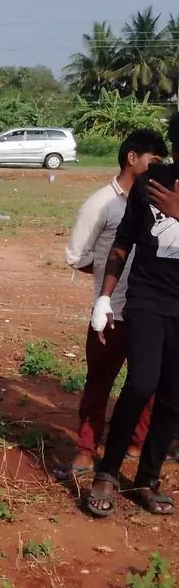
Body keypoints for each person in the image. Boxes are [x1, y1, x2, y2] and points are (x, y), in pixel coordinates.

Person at [60, 130, 168, 480]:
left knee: (147, 383)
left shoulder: (161, 199)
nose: (159, 169)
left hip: (149, 309)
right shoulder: (102, 203)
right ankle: (86, 450)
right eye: (154, 161)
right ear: (132, 158)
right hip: (113, 311)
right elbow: (76, 255)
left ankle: (137, 443)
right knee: (100, 383)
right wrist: (110, 277)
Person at [86, 113, 179, 517]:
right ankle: (106, 472)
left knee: (175, 398)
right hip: (148, 298)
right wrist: (104, 298)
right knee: (141, 382)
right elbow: (122, 244)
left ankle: (147, 477)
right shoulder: (150, 183)